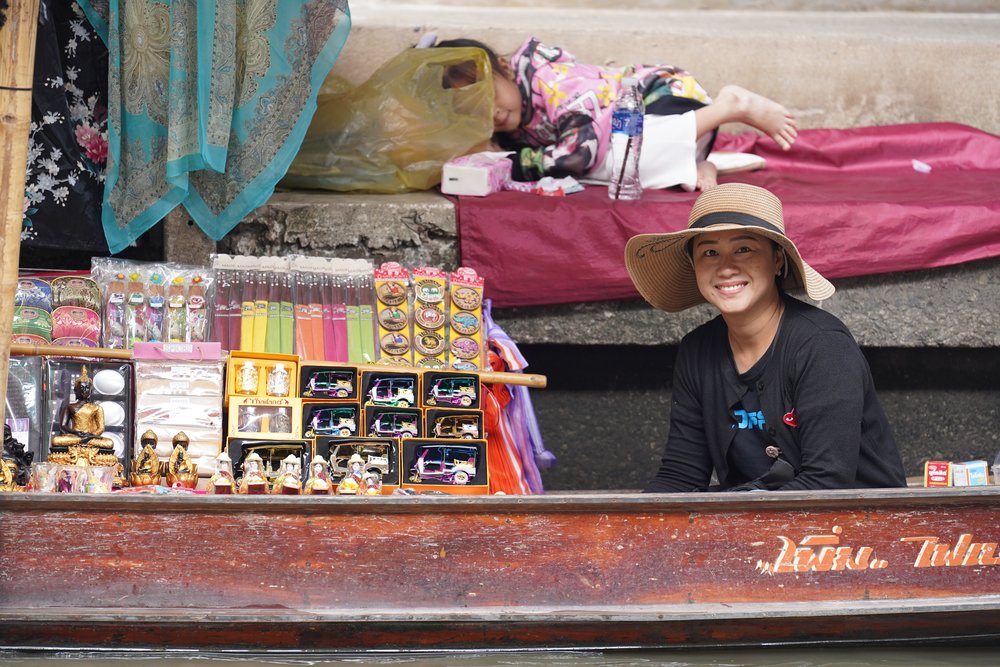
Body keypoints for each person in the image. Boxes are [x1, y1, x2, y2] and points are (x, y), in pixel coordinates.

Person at [624, 183, 906, 492]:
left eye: (744, 249)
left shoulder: (823, 345)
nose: (726, 267)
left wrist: (728, 522)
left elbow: (826, 483)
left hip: (849, 526)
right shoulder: (697, 350)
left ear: (777, 260)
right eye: (710, 253)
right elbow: (680, 475)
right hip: (754, 523)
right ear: (695, 267)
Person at [435, 37, 797, 191]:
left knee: (615, 157)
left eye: (491, 96)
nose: (495, 113)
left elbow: (579, 154)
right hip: (667, 138)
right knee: (614, 173)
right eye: (479, 111)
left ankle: (730, 106)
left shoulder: (553, 82)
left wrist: (511, 162)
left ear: (504, 68)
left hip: (664, 98)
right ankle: (699, 163)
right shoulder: (517, 112)